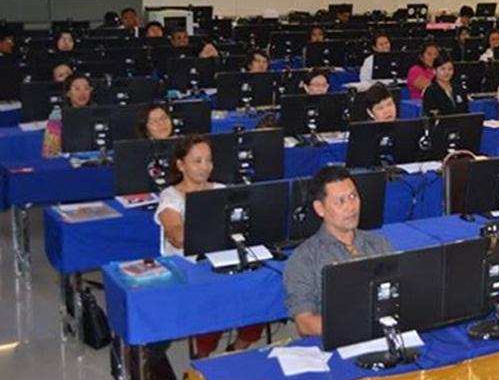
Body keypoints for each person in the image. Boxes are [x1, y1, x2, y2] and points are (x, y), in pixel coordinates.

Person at [155, 136, 262, 357]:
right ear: (181, 165)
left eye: (209, 160)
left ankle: (237, 348)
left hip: (223, 259)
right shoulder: (170, 196)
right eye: (197, 161)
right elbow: (177, 236)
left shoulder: (221, 189)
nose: (205, 167)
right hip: (189, 266)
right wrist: (209, 217)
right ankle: (203, 356)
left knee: (259, 287)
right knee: (214, 295)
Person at [283, 166, 394, 337]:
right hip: (339, 339)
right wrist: (358, 327)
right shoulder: (304, 259)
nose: (351, 207)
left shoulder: (379, 244)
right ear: (320, 208)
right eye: (340, 201)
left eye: (353, 196)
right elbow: (305, 323)